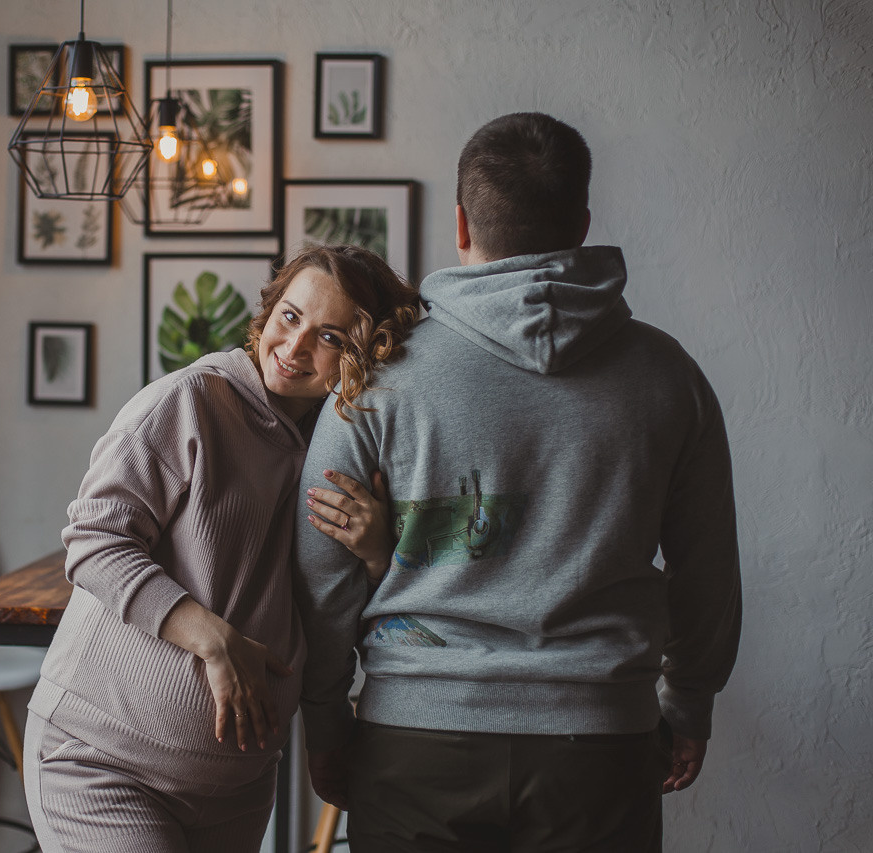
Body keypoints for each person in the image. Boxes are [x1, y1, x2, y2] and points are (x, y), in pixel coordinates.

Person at [294, 112, 743, 852]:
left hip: (414, 740)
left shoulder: (377, 378)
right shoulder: (670, 377)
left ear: (462, 223)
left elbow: (323, 572)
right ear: (583, 222)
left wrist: (326, 720)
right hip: (600, 746)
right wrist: (688, 704)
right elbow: (708, 572)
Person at [22, 245, 421, 853]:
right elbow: (93, 539)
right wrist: (212, 639)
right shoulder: (191, 401)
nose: (295, 347)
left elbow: (327, 607)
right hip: (101, 763)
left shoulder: (342, 444)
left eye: (331, 337)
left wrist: (373, 553)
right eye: (290, 317)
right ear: (268, 312)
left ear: (366, 352)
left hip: (236, 787)